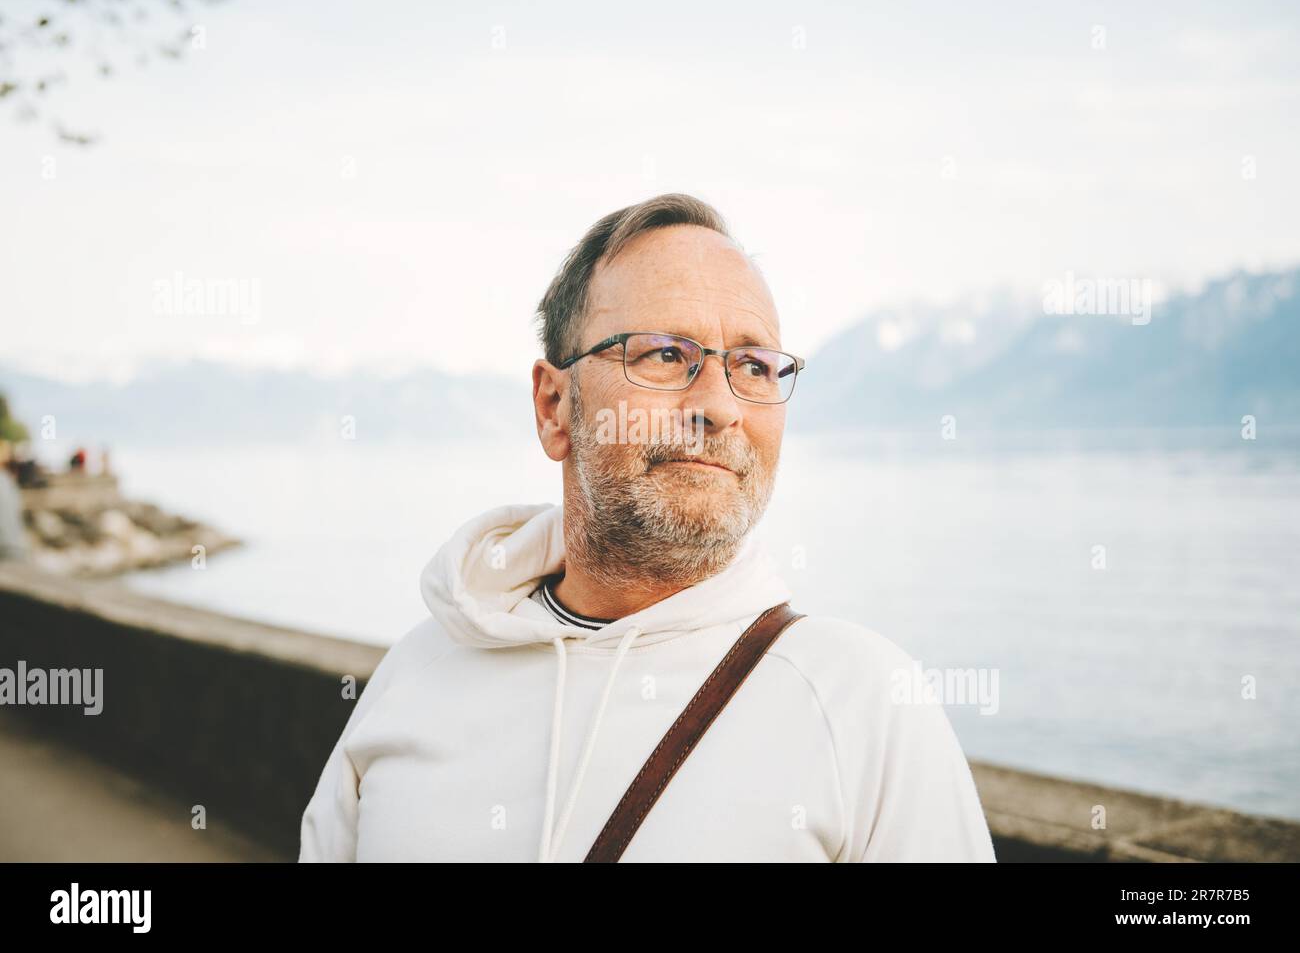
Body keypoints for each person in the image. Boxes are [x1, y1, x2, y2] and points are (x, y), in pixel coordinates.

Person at [299, 193, 996, 862]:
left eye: (754, 365)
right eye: (665, 353)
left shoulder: (863, 703)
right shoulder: (418, 674)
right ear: (554, 406)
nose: (720, 406)